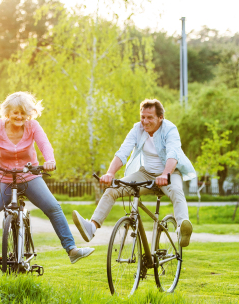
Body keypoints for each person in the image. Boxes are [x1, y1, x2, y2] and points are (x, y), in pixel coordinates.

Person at [0, 91, 94, 272]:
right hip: (3, 179)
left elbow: (45, 145)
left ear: (29, 114)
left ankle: (72, 250)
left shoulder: (33, 127)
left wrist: (49, 161)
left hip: (29, 177)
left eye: (24, 112)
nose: (19, 116)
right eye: (15, 112)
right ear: (7, 112)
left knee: (53, 207)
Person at [72, 98, 196, 247]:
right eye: (143, 117)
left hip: (169, 173)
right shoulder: (137, 129)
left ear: (160, 118)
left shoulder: (170, 129)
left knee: (176, 191)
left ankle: (182, 228)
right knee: (113, 189)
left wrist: (165, 174)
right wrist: (110, 173)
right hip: (146, 174)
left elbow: (173, 153)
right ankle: (91, 227)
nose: (145, 121)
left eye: (150, 117)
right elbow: (123, 152)